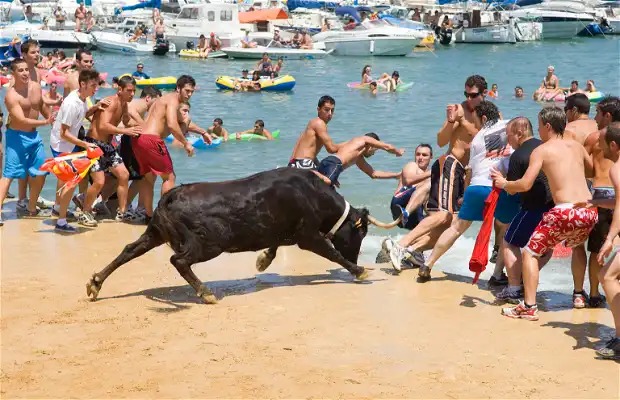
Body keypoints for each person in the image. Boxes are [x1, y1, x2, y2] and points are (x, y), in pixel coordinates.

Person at [492, 107, 597, 321]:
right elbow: (592, 171)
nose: (538, 130)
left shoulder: (542, 150)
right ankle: (578, 295)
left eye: (539, 125)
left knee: (530, 253)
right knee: (577, 247)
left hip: (564, 212)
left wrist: (504, 183)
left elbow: (525, 184)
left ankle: (529, 306)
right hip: (588, 210)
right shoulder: (576, 146)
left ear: (547, 126)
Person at [401, 101, 519, 281]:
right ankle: (497, 275)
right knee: (504, 230)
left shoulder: (477, 139)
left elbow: (470, 170)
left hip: (476, 187)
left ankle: (428, 264)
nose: (476, 125)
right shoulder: (510, 125)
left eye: (477, 120)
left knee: (456, 228)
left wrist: (465, 194)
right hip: (498, 187)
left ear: (484, 118)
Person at [387, 75, 486, 269]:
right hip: (450, 166)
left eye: (473, 95)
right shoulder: (460, 110)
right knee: (443, 216)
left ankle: (413, 250)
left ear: (484, 94)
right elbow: (441, 141)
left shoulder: (490, 114)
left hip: (468, 176)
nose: (468, 99)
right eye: (465, 94)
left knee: (452, 226)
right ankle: (401, 245)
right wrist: (451, 122)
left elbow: (486, 139)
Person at [494, 117, 555, 303]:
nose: (507, 140)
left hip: (532, 208)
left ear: (519, 133)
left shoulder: (518, 155)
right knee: (544, 250)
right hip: (553, 207)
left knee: (509, 242)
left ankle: (514, 288)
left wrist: (502, 182)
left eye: (508, 135)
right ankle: (524, 280)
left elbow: (513, 191)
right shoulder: (546, 146)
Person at [131, 75, 205, 219]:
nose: (189, 95)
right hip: (152, 140)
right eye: (187, 91)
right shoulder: (173, 100)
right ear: (178, 88)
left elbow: (183, 122)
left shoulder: (163, 99)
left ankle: (149, 216)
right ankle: (164, 216)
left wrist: (203, 132)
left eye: (192, 92)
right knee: (169, 178)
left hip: (140, 140)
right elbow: (172, 124)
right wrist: (186, 143)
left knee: (149, 179)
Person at [79, 75, 141, 227]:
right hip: (93, 145)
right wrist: (126, 131)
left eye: (134, 91)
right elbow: (103, 126)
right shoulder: (111, 102)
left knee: (124, 174)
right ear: (120, 89)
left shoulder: (124, 103)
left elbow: (126, 121)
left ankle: (122, 211)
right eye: (129, 91)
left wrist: (140, 125)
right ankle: (84, 212)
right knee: (99, 182)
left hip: (107, 146)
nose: (132, 94)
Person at [0, 58, 55, 226]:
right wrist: (44, 123)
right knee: (9, 175)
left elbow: (40, 105)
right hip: (16, 137)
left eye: (26, 69)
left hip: (34, 137)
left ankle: (31, 208)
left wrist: (49, 116)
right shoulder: (11, 95)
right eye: (20, 70)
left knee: (41, 172)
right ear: (13, 73)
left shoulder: (36, 87)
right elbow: (22, 120)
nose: (24, 73)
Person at [49, 69, 102, 232]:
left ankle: (59, 210)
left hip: (68, 145)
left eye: (97, 85)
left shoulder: (81, 97)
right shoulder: (72, 103)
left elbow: (80, 115)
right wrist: (85, 145)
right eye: (93, 85)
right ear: (83, 84)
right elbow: (63, 133)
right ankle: (61, 222)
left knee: (68, 182)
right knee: (70, 185)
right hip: (61, 146)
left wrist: (95, 108)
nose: (95, 89)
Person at [580, 96, 620, 308]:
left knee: (596, 249)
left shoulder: (597, 137)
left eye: (597, 113)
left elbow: (585, 168)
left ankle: (595, 294)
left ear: (608, 115)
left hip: (602, 194)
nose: (594, 118)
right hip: (615, 195)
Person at [594, 121, 620, 359]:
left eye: (602, 145)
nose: (600, 150)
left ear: (614, 145)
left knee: (607, 276)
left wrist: (610, 238)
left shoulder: (616, 168)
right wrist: (595, 203)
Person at [316, 133, 403, 188]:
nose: (373, 154)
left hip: (330, 164)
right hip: (334, 163)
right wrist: (398, 151)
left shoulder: (358, 157)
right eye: (375, 150)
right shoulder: (363, 140)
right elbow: (387, 147)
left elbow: (374, 174)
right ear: (372, 144)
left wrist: (395, 175)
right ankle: (310, 171)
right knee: (328, 182)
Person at [289, 95, 340, 170]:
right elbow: (331, 149)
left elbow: (307, 151)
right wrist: (352, 143)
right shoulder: (320, 123)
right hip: (303, 164)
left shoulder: (311, 124)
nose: (330, 113)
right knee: (329, 179)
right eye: (326, 110)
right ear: (318, 109)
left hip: (293, 164)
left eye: (332, 110)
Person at [390, 144, 433, 231]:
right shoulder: (412, 165)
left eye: (424, 155)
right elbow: (409, 180)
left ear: (431, 157)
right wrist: (430, 174)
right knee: (429, 184)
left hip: (416, 211)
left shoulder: (430, 174)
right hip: (400, 203)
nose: (420, 157)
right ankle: (405, 213)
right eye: (418, 154)